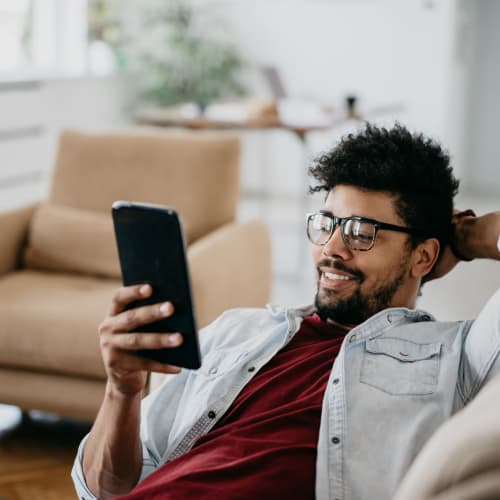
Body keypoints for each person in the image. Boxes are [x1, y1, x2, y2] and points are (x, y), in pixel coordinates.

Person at [72, 124, 500, 500]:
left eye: (361, 232)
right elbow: (106, 489)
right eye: (327, 224)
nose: (332, 248)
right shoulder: (239, 331)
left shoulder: (458, 359)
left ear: (423, 257)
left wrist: (465, 236)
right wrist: (122, 391)